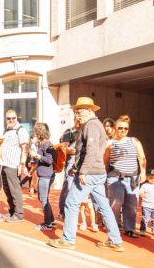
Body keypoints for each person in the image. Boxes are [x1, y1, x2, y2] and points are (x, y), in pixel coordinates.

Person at [48, 97, 124, 252]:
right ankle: (115, 241)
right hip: (96, 173)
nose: (77, 115)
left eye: (80, 112)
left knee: (71, 203)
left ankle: (68, 240)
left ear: (89, 111)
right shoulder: (93, 125)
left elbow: (91, 151)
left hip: (89, 174)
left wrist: (82, 171)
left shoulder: (91, 125)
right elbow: (87, 150)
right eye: (76, 112)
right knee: (103, 206)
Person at [104, 115, 147, 238]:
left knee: (132, 205)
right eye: (120, 128)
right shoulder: (110, 143)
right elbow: (105, 161)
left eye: (126, 128)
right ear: (115, 128)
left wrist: (143, 172)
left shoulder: (134, 141)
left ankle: (130, 229)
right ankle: (113, 228)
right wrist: (102, 175)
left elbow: (142, 157)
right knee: (116, 204)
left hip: (132, 178)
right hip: (115, 177)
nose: (123, 130)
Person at [0, 110, 30, 223]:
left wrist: (22, 163)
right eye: (9, 118)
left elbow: (25, 148)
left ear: (17, 118)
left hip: (13, 165)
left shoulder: (20, 130)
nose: (11, 120)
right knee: (7, 189)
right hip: (4, 164)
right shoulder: (6, 131)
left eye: (13, 118)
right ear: (6, 119)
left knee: (14, 190)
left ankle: (19, 214)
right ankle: (12, 211)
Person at [30, 123, 55, 230]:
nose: (34, 133)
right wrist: (33, 170)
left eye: (35, 131)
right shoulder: (44, 143)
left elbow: (49, 160)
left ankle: (47, 223)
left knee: (43, 199)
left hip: (46, 175)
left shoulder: (46, 144)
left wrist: (37, 155)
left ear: (39, 132)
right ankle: (51, 220)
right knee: (44, 199)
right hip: (45, 175)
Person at [58, 118, 80, 219]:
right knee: (68, 186)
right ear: (74, 120)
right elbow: (64, 148)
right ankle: (63, 210)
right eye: (77, 120)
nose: (79, 122)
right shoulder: (69, 132)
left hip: (83, 163)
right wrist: (72, 150)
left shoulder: (86, 131)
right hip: (71, 163)